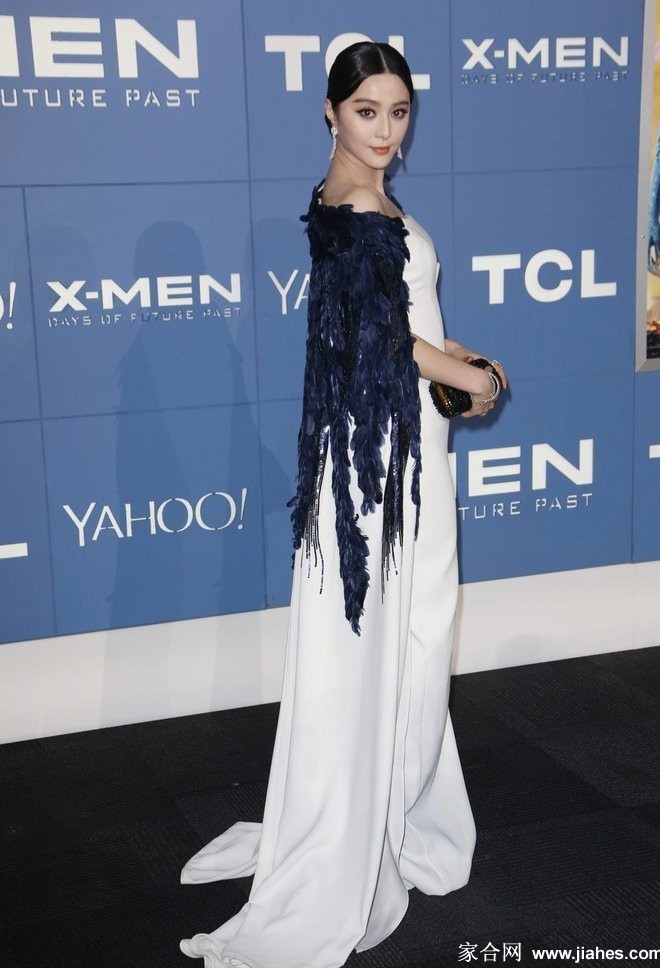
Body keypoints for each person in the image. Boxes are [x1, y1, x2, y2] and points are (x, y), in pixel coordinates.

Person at [179, 41, 507, 968]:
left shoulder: (357, 194)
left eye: (398, 111)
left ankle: (384, 807)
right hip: (380, 461)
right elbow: (384, 339)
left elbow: (394, 318)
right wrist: (475, 380)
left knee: (411, 638)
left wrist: (450, 355)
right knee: (397, 639)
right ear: (330, 112)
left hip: (393, 439)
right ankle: (360, 829)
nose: (385, 129)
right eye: (367, 111)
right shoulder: (356, 202)